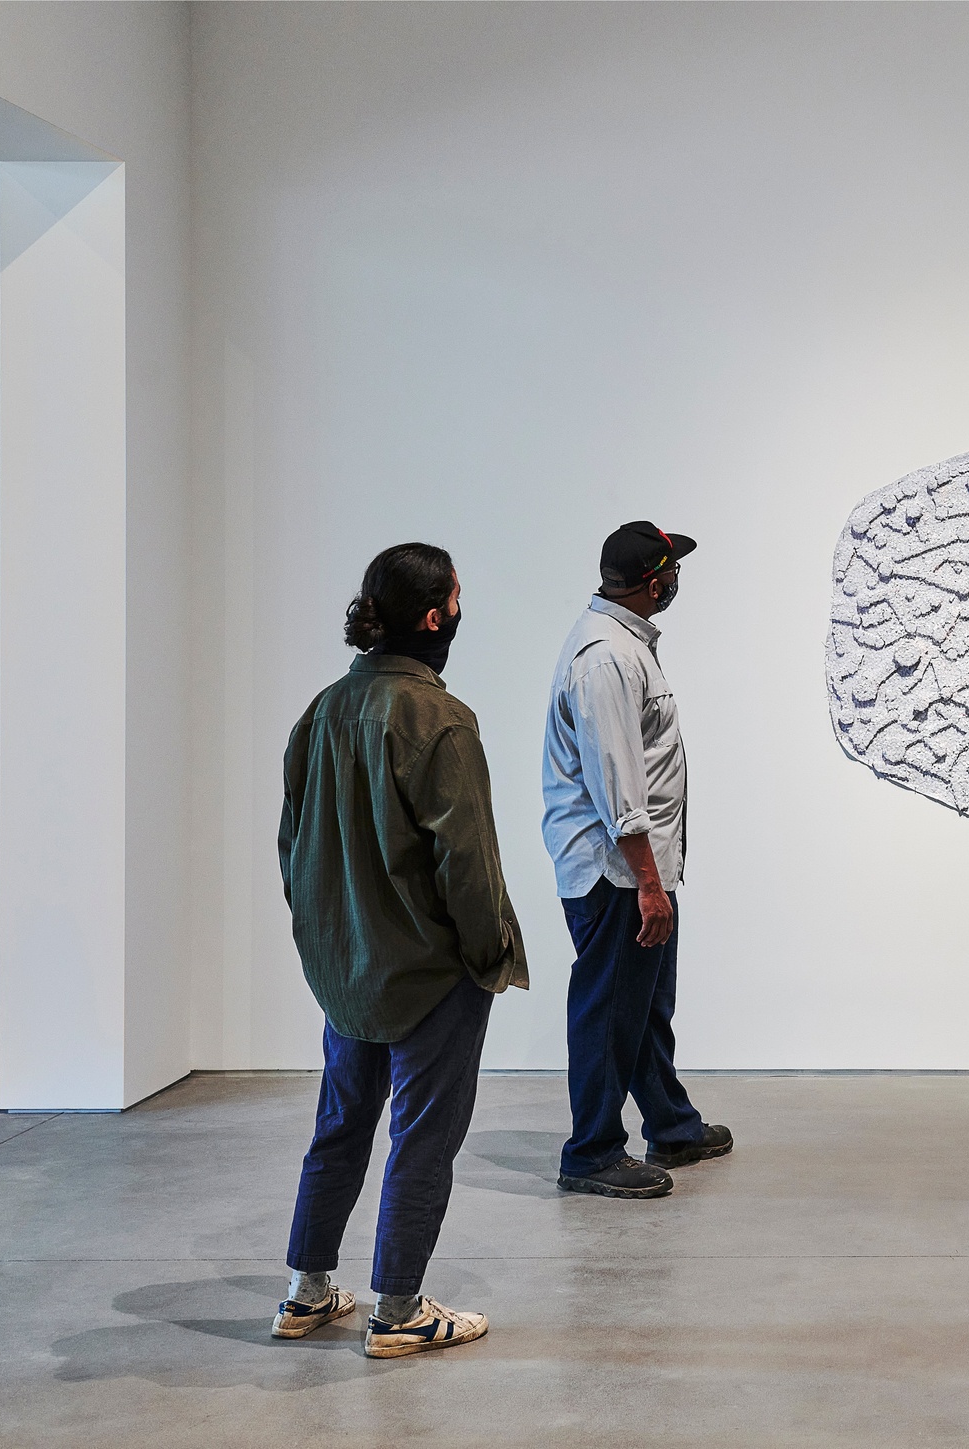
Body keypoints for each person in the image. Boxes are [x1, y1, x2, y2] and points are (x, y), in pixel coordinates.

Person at [273, 542, 528, 1358]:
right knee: (423, 1137)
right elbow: (471, 865)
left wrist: (327, 940)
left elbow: (292, 846)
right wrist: (488, 956)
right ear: (433, 615)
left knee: (340, 1127)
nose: (461, 608)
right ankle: (398, 1309)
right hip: (429, 975)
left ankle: (306, 1293)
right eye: (456, 596)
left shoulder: (320, 713)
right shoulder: (442, 721)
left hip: (348, 971)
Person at [541, 521, 732, 1199]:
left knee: (646, 1003)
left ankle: (670, 1124)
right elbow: (619, 785)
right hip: (614, 870)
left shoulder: (627, 645)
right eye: (672, 568)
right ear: (654, 583)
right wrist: (650, 884)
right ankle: (590, 1150)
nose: (677, 577)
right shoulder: (606, 658)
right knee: (609, 1011)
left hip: (640, 868)